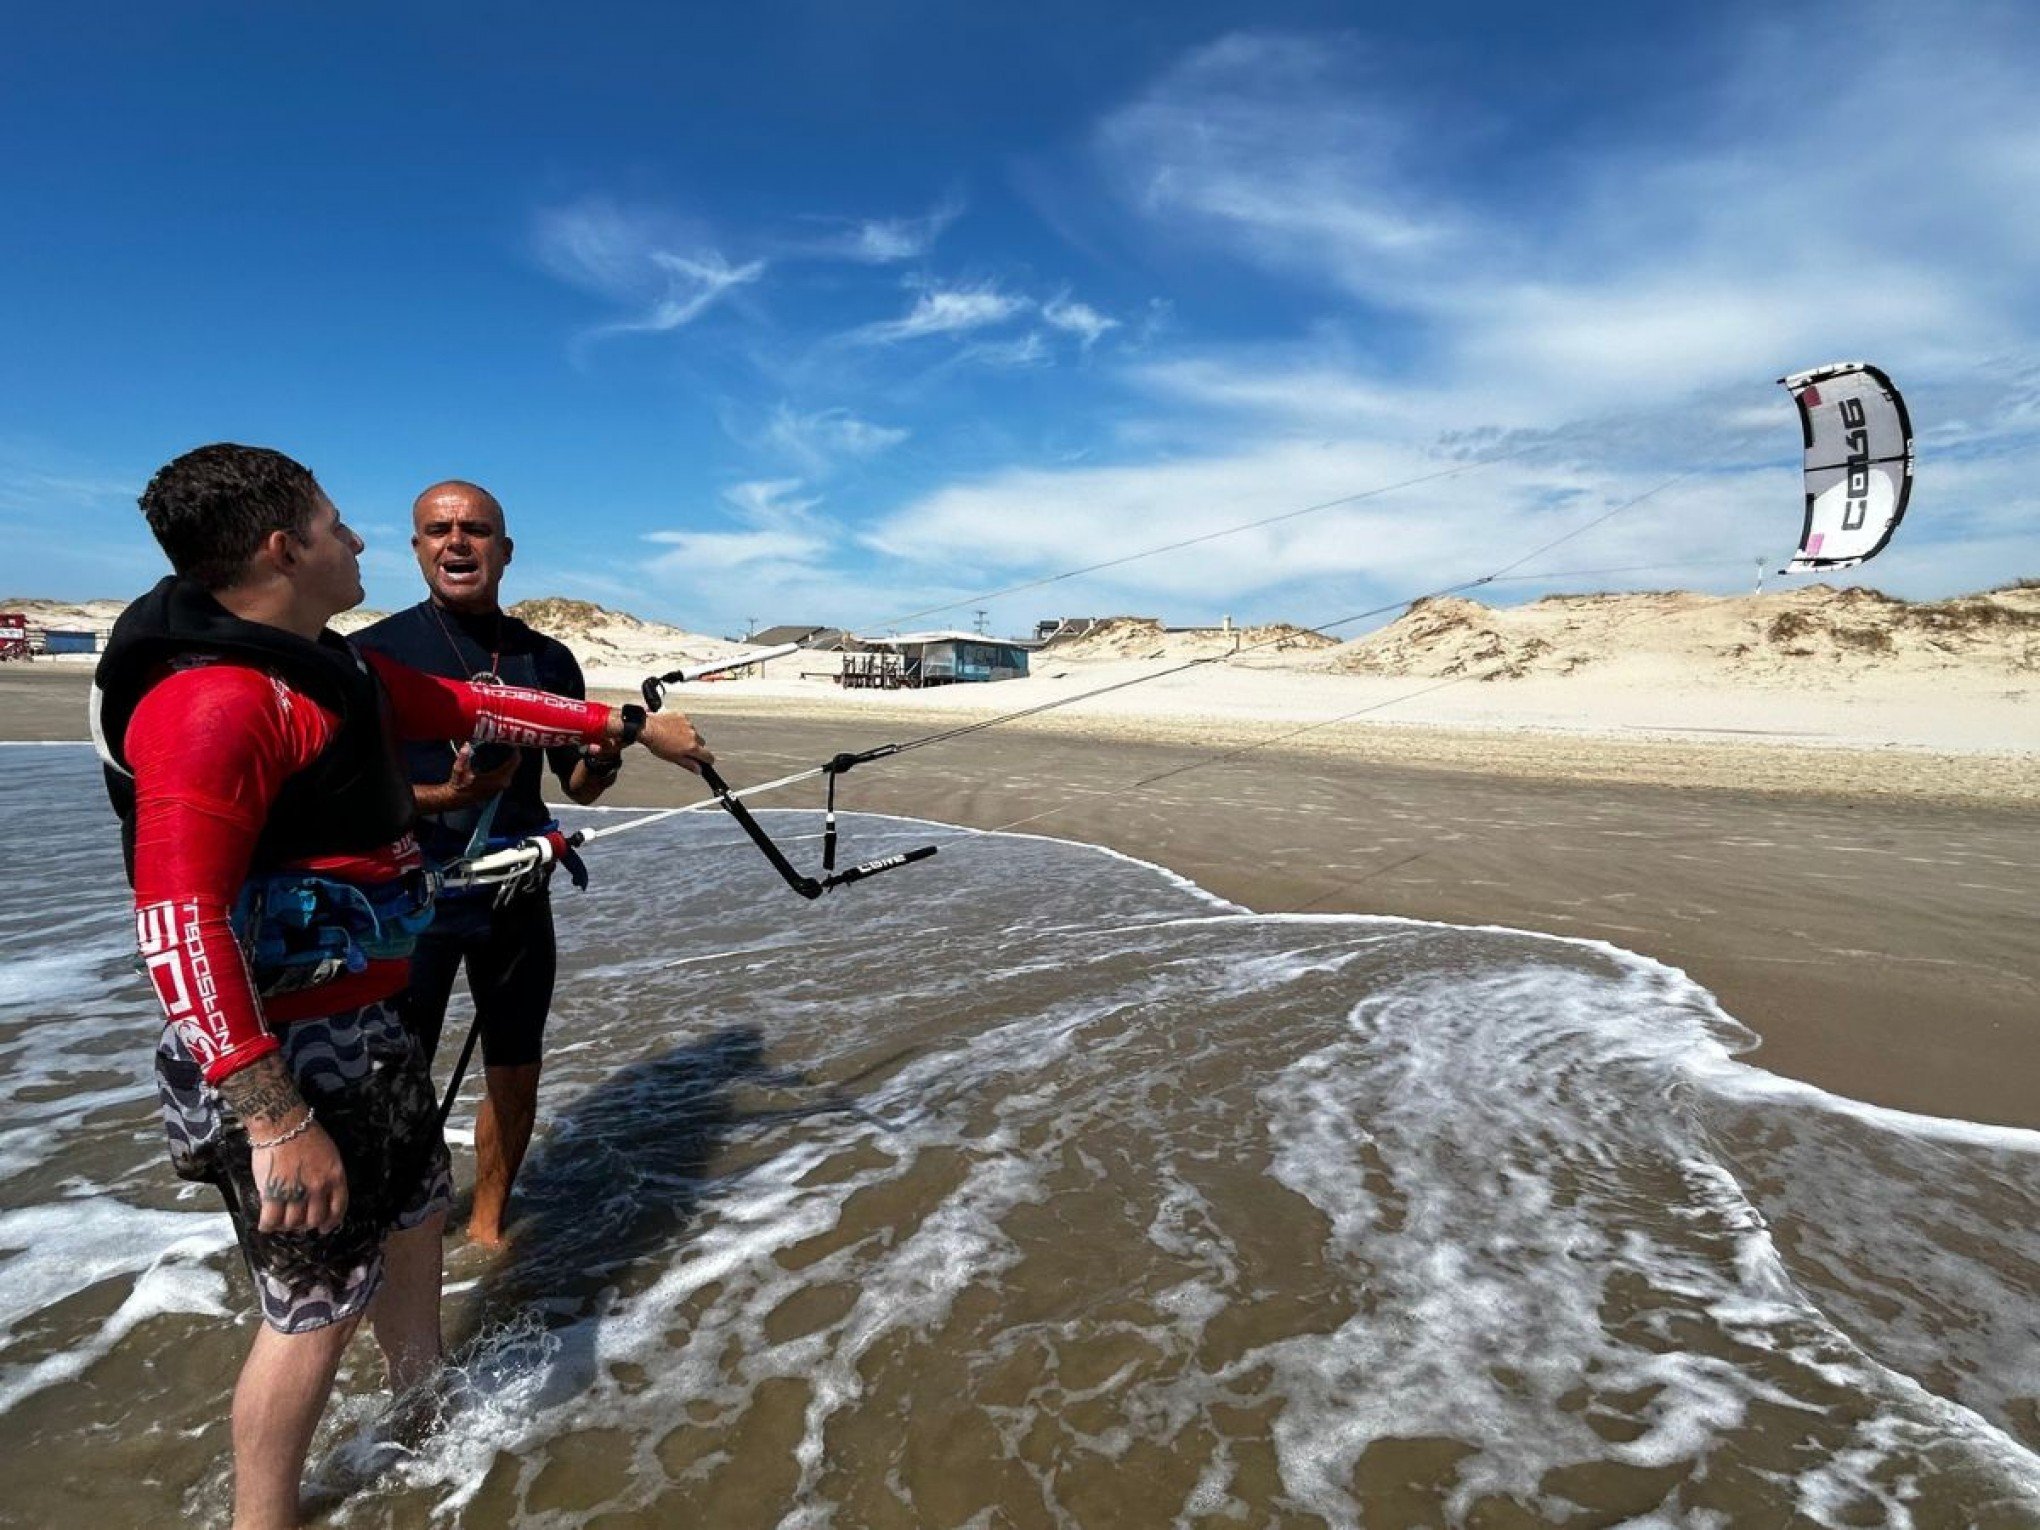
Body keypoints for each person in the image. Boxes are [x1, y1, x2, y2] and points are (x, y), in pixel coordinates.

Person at [95, 443, 711, 1530]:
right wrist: (276, 1117)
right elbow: (180, 928)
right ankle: (265, 1518)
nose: (363, 540)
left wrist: (620, 725)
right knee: (314, 1305)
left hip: (362, 1026)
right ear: (284, 548)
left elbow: (473, 703)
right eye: (339, 525)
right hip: (286, 1056)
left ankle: (426, 1412)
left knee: (419, 1212)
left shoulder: (324, 663)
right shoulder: (217, 706)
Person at [354, 480, 615, 1247]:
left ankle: (488, 1225)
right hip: (411, 902)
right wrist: (448, 793)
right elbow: (356, 798)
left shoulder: (547, 658)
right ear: (417, 548)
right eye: (439, 529)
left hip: (514, 893)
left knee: (516, 1068)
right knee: (394, 1082)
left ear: (504, 550)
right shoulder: (374, 655)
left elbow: (580, 787)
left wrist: (601, 761)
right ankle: (398, 1237)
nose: (457, 542)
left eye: (475, 529)